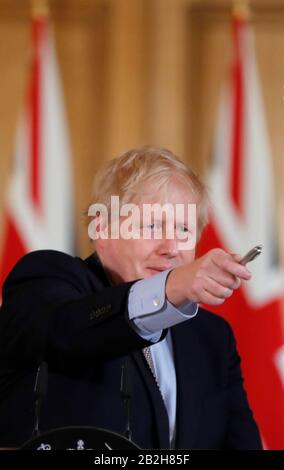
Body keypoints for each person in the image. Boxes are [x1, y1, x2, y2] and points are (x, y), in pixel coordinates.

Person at [0, 145, 262, 449]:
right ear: (102, 228)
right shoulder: (46, 277)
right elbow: (66, 331)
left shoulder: (212, 337)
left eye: (184, 230)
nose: (172, 248)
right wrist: (169, 289)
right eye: (152, 226)